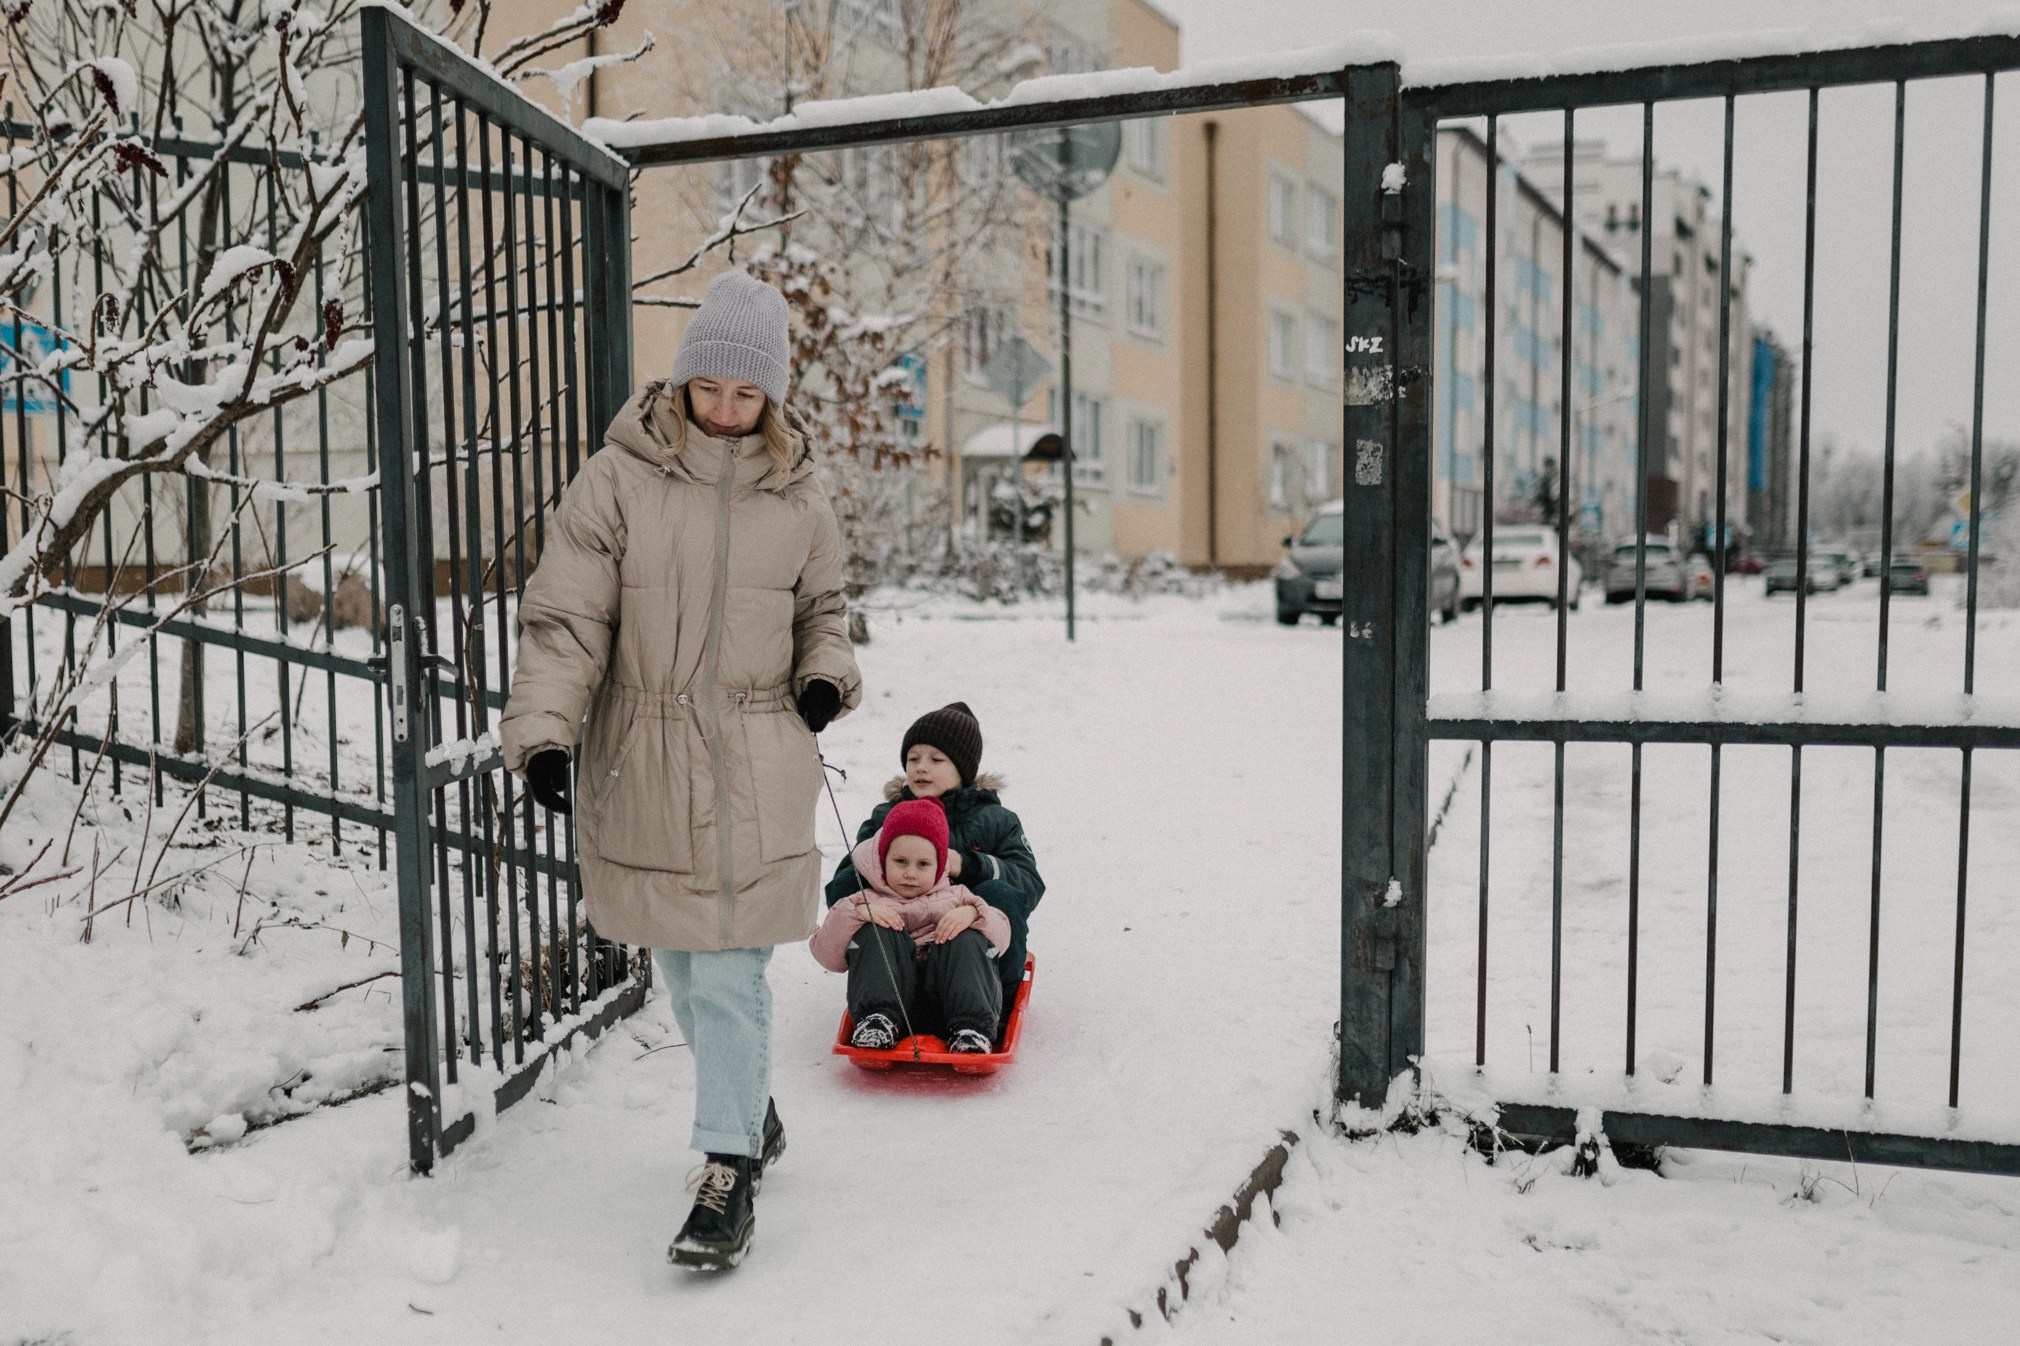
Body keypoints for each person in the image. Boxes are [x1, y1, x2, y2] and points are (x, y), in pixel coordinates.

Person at [500, 268, 861, 1273]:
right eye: (711, 388)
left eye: (748, 394)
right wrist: (543, 732)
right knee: (687, 972)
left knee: (733, 968)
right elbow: (567, 618)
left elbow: (825, 613)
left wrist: (825, 675)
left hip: (756, 755)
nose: (727, 409)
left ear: (771, 394)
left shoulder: (799, 491)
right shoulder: (617, 479)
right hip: (648, 756)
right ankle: (752, 1111)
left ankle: (727, 1168)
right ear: (685, 377)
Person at [824, 702, 1043, 1030]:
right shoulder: (887, 817)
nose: (921, 768)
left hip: (969, 958)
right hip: (902, 959)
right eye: (913, 759)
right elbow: (842, 888)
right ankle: (882, 1005)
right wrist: (877, 881)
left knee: (1000, 893)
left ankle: (988, 1008)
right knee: (853, 892)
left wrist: (970, 866)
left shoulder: (996, 820)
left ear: (963, 769)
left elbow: (1029, 884)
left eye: (936, 760)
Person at [810, 798, 1012, 1052]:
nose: (910, 873)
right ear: (883, 860)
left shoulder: (959, 897)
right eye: (901, 861)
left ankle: (971, 1031)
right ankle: (876, 1022)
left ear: (940, 866)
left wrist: (973, 914)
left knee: (966, 937)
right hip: (892, 1010)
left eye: (923, 864)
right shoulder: (864, 901)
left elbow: (1003, 938)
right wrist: (856, 914)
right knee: (874, 931)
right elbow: (826, 956)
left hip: (949, 1005)